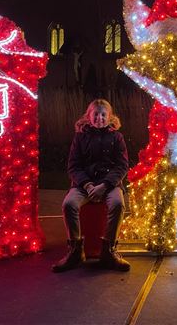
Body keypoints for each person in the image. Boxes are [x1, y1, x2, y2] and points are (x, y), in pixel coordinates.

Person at [52, 99, 130, 273]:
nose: (99, 118)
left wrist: (105, 185)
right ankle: (75, 250)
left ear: (110, 117)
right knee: (69, 204)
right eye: (96, 114)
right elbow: (73, 166)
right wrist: (87, 185)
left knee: (118, 204)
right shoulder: (80, 137)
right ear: (89, 116)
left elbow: (122, 165)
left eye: (103, 114)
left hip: (109, 184)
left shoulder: (117, 137)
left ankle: (109, 250)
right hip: (84, 185)